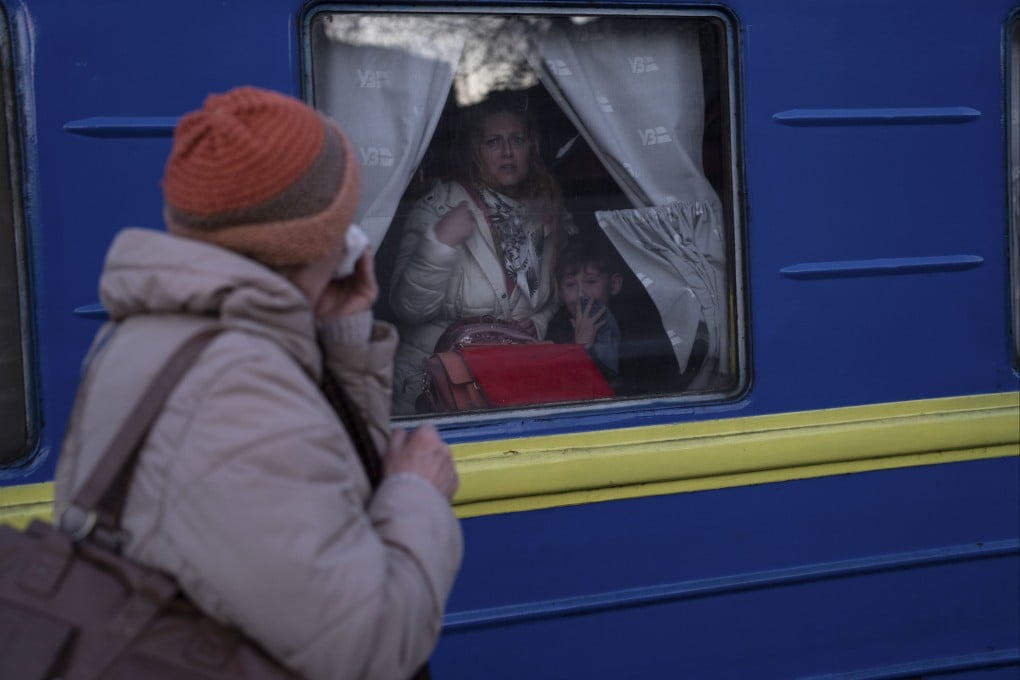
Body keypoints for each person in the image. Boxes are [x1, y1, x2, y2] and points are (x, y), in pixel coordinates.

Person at [53, 86, 463, 680]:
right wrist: (417, 494)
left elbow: (325, 497)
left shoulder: (162, 336)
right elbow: (366, 648)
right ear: (323, 237)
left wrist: (342, 338)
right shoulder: (238, 389)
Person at [388, 92, 574, 414]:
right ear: (474, 151)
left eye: (517, 139)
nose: (507, 152)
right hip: (434, 391)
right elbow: (407, 308)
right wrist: (441, 244)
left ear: (531, 147)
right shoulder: (440, 207)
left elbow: (556, 291)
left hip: (510, 386)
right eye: (492, 142)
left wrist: (537, 324)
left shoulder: (541, 210)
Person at [546, 236, 705, 396]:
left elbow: (642, 385)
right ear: (560, 292)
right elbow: (561, 389)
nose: (581, 294)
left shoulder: (636, 325)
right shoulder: (559, 326)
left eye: (591, 281)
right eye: (570, 285)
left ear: (614, 285)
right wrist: (581, 347)